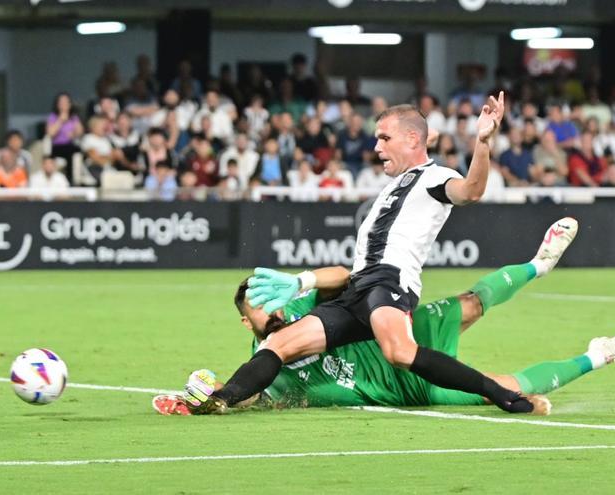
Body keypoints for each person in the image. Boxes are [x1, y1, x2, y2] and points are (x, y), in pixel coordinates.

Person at [188, 93, 549, 415]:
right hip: (358, 288)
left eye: (384, 138)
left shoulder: (436, 177)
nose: (376, 146)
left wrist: (482, 143)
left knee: (399, 352)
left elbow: (471, 190)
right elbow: (419, 138)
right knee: (278, 343)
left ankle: (500, 394)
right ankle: (222, 399)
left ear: (410, 139)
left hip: (389, 281)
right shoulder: (398, 181)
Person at [154, 219, 615, 415]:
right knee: (511, 389)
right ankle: (600, 353)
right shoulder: (268, 362)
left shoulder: (300, 308)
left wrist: (301, 280)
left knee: (471, 303)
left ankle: (537, 264)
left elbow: (347, 275)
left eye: (272, 295)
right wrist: (207, 396)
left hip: (394, 331)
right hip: (406, 387)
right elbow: (252, 394)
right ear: (247, 323)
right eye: (260, 306)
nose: (275, 308)